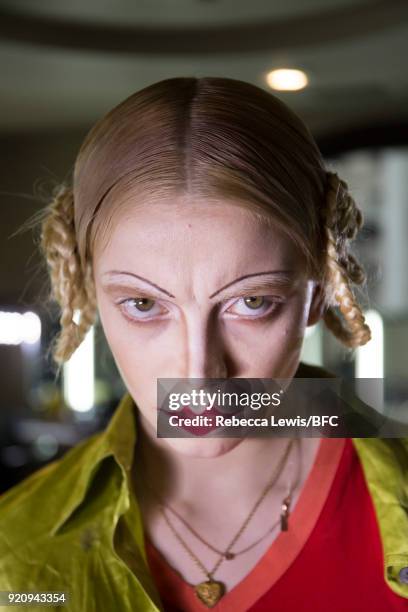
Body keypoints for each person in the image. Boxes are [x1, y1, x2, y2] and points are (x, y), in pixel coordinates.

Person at [0, 77, 407, 612]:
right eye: (144, 305)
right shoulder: (14, 559)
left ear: (318, 290)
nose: (199, 371)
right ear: (87, 290)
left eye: (253, 301)